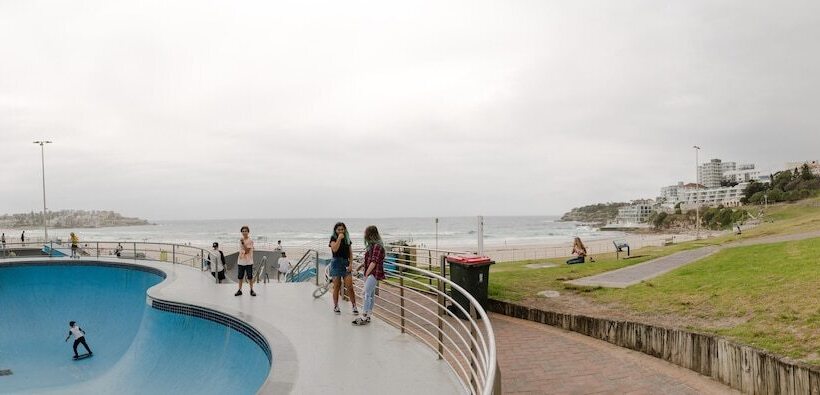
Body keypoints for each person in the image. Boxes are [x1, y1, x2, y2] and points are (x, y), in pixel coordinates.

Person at [353, 225, 386, 326]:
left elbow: (374, 262)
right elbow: (368, 260)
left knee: (365, 294)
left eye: (366, 233)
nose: (364, 235)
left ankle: (364, 316)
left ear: (371, 234)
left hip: (373, 273)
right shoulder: (372, 246)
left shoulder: (377, 246)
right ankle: (368, 316)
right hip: (370, 273)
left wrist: (367, 273)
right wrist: (360, 266)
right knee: (370, 295)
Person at [329, 222, 358, 315]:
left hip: (345, 263)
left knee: (350, 286)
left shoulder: (347, 239)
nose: (341, 231)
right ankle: (336, 305)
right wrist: (339, 239)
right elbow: (334, 249)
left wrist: (350, 264)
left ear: (345, 230)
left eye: (342, 229)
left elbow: (350, 254)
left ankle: (354, 306)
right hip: (336, 263)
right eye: (339, 229)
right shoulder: (333, 238)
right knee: (337, 286)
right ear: (335, 230)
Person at [236, 226, 256, 296]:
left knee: (250, 277)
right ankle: (240, 290)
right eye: (243, 231)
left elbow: (247, 251)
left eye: (245, 231)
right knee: (240, 277)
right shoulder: (241, 240)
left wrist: (243, 243)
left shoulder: (250, 241)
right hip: (241, 261)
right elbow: (241, 250)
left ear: (248, 232)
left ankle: (251, 290)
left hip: (248, 261)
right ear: (241, 232)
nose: (244, 232)